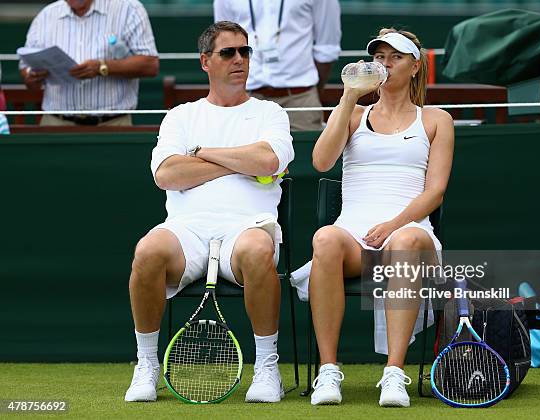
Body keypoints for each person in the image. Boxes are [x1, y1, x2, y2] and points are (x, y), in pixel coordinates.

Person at [124, 20, 294, 403]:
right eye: (228, 52)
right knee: (147, 251)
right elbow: (167, 175)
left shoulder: (270, 113)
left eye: (245, 51)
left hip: (248, 228)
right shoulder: (181, 116)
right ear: (205, 61)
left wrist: (201, 153)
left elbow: (268, 161)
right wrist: (240, 161)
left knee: (257, 249)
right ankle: (146, 364)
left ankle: (267, 367)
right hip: (186, 231)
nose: (239, 60)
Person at [298, 28, 454, 407]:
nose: (385, 63)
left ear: (415, 67)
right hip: (354, 237)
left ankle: (393, 374)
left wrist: (394, 224)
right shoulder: (352, 114)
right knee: (324, 239)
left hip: (410, 233)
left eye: (395, 57)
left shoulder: (436, 120)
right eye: (379, 56)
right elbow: (320, 161)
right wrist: (348, 98)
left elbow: (435, 191)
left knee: (404, 241)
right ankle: (328, 372)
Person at [19, 0, 158, 126]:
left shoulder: (128, 9)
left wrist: (103, 67)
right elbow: (26, 69)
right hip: (56, 124)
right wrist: (33, 76)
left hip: (113, 125)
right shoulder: (46, 15)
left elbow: (150, 65)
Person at [213, 0, 341, 131]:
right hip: (244, 96)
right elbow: (224, 43)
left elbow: (327, 47)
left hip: (299, 99)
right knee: (241, 150)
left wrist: (309, 93)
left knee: (304, 150)